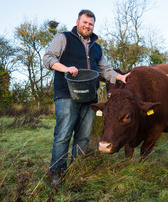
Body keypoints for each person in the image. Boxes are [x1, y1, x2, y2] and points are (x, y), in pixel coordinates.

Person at [43, 9, 130, 189]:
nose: (87, 26)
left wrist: (120, 77)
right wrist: (65, 68)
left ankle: (77, 169)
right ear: (77, 22)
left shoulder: (96, 47)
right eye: (85, 22)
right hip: (66, 94)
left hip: (90, 97)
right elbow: (48, 58)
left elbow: (105, 70)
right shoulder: (64, 38)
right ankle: (57, 173)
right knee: (63, 135)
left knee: (83, 137)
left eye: (90, 24)